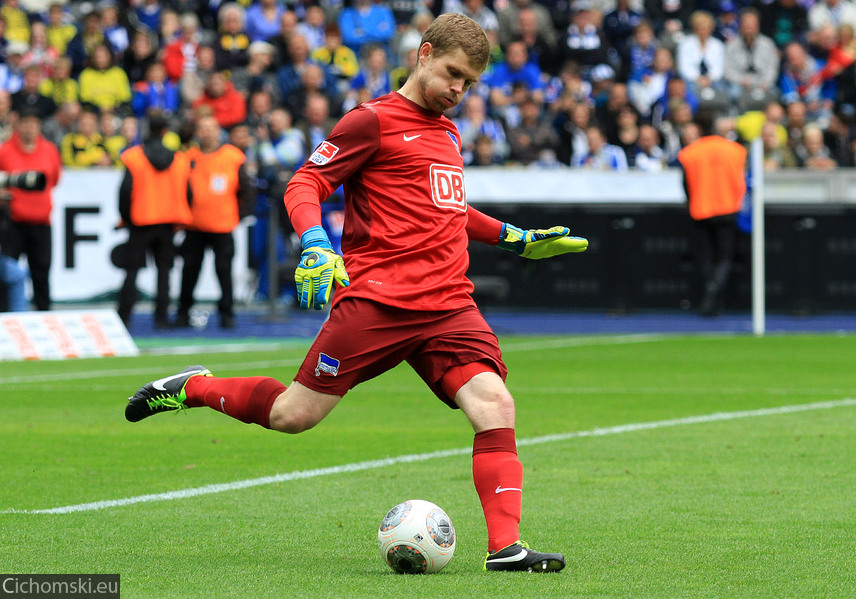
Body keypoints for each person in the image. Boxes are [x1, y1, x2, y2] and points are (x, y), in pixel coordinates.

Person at [125, 13, 586, 573]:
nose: (458, 91)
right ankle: (195, 388)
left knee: (495, 405)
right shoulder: (371, 120)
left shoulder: (447, 131)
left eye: (469, 84)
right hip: (380, 301)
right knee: (293, 416)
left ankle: (505, 548)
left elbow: (448, 208)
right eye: (452, 74)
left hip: (447, 303)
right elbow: (306, 182)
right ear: (424, 53)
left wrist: (515, 238)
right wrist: (316, 243)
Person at [176, 115, 254, 329]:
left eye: (212, 128)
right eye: (203, 128)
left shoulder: (233, 156)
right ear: (197, 132)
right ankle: (183, 312)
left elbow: (247, 191)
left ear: (218, 131)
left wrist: (237, 215)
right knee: (189, 271)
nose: (208, 132)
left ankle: (227, 313)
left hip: (222, 226)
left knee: (223, 270)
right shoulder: (188, 157)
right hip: (194, 226)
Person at [117, 115, 192, 329]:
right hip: (168, 223)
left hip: (141, 221)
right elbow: (188, 193)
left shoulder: (133, 156)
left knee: (131, 271)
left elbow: (124, 191)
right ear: (165, 131)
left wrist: (127, 218)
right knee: (164, 271)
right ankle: (161, 318)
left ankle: (124, 317)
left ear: (147, 128)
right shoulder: (179, 159)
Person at [677, 110, 747, 316]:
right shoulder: (735, 150)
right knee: (725, 256)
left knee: (705, 257)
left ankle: (710, 290)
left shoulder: (690, 152)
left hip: (701, 209)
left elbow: (685, 184)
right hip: (727, 208)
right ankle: (715, 290)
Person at [0, 108, 62, 311]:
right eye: (25, 124)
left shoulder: (49, 150)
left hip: (41, 222)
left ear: (39, 126)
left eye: (33, 124)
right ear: (18, 126)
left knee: (42, 273)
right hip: (13, 222)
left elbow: (54, 180)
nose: (29, 128)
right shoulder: (5, 150)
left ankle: (44, 316)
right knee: (7, 273)